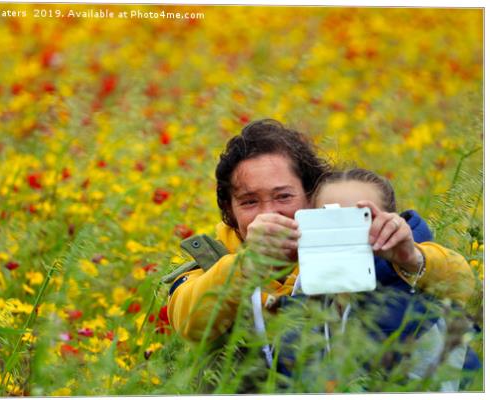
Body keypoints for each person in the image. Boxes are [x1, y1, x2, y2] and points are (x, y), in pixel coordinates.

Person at [166, 119, 478, 387]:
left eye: (283, 196)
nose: (268, 213)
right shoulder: (215, 256)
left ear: (312, 197)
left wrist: (411, 258)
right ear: (229, 210)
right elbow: (188, 320)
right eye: (249, 201)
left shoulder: (363, 235)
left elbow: (462, 284)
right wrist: (250, 265)